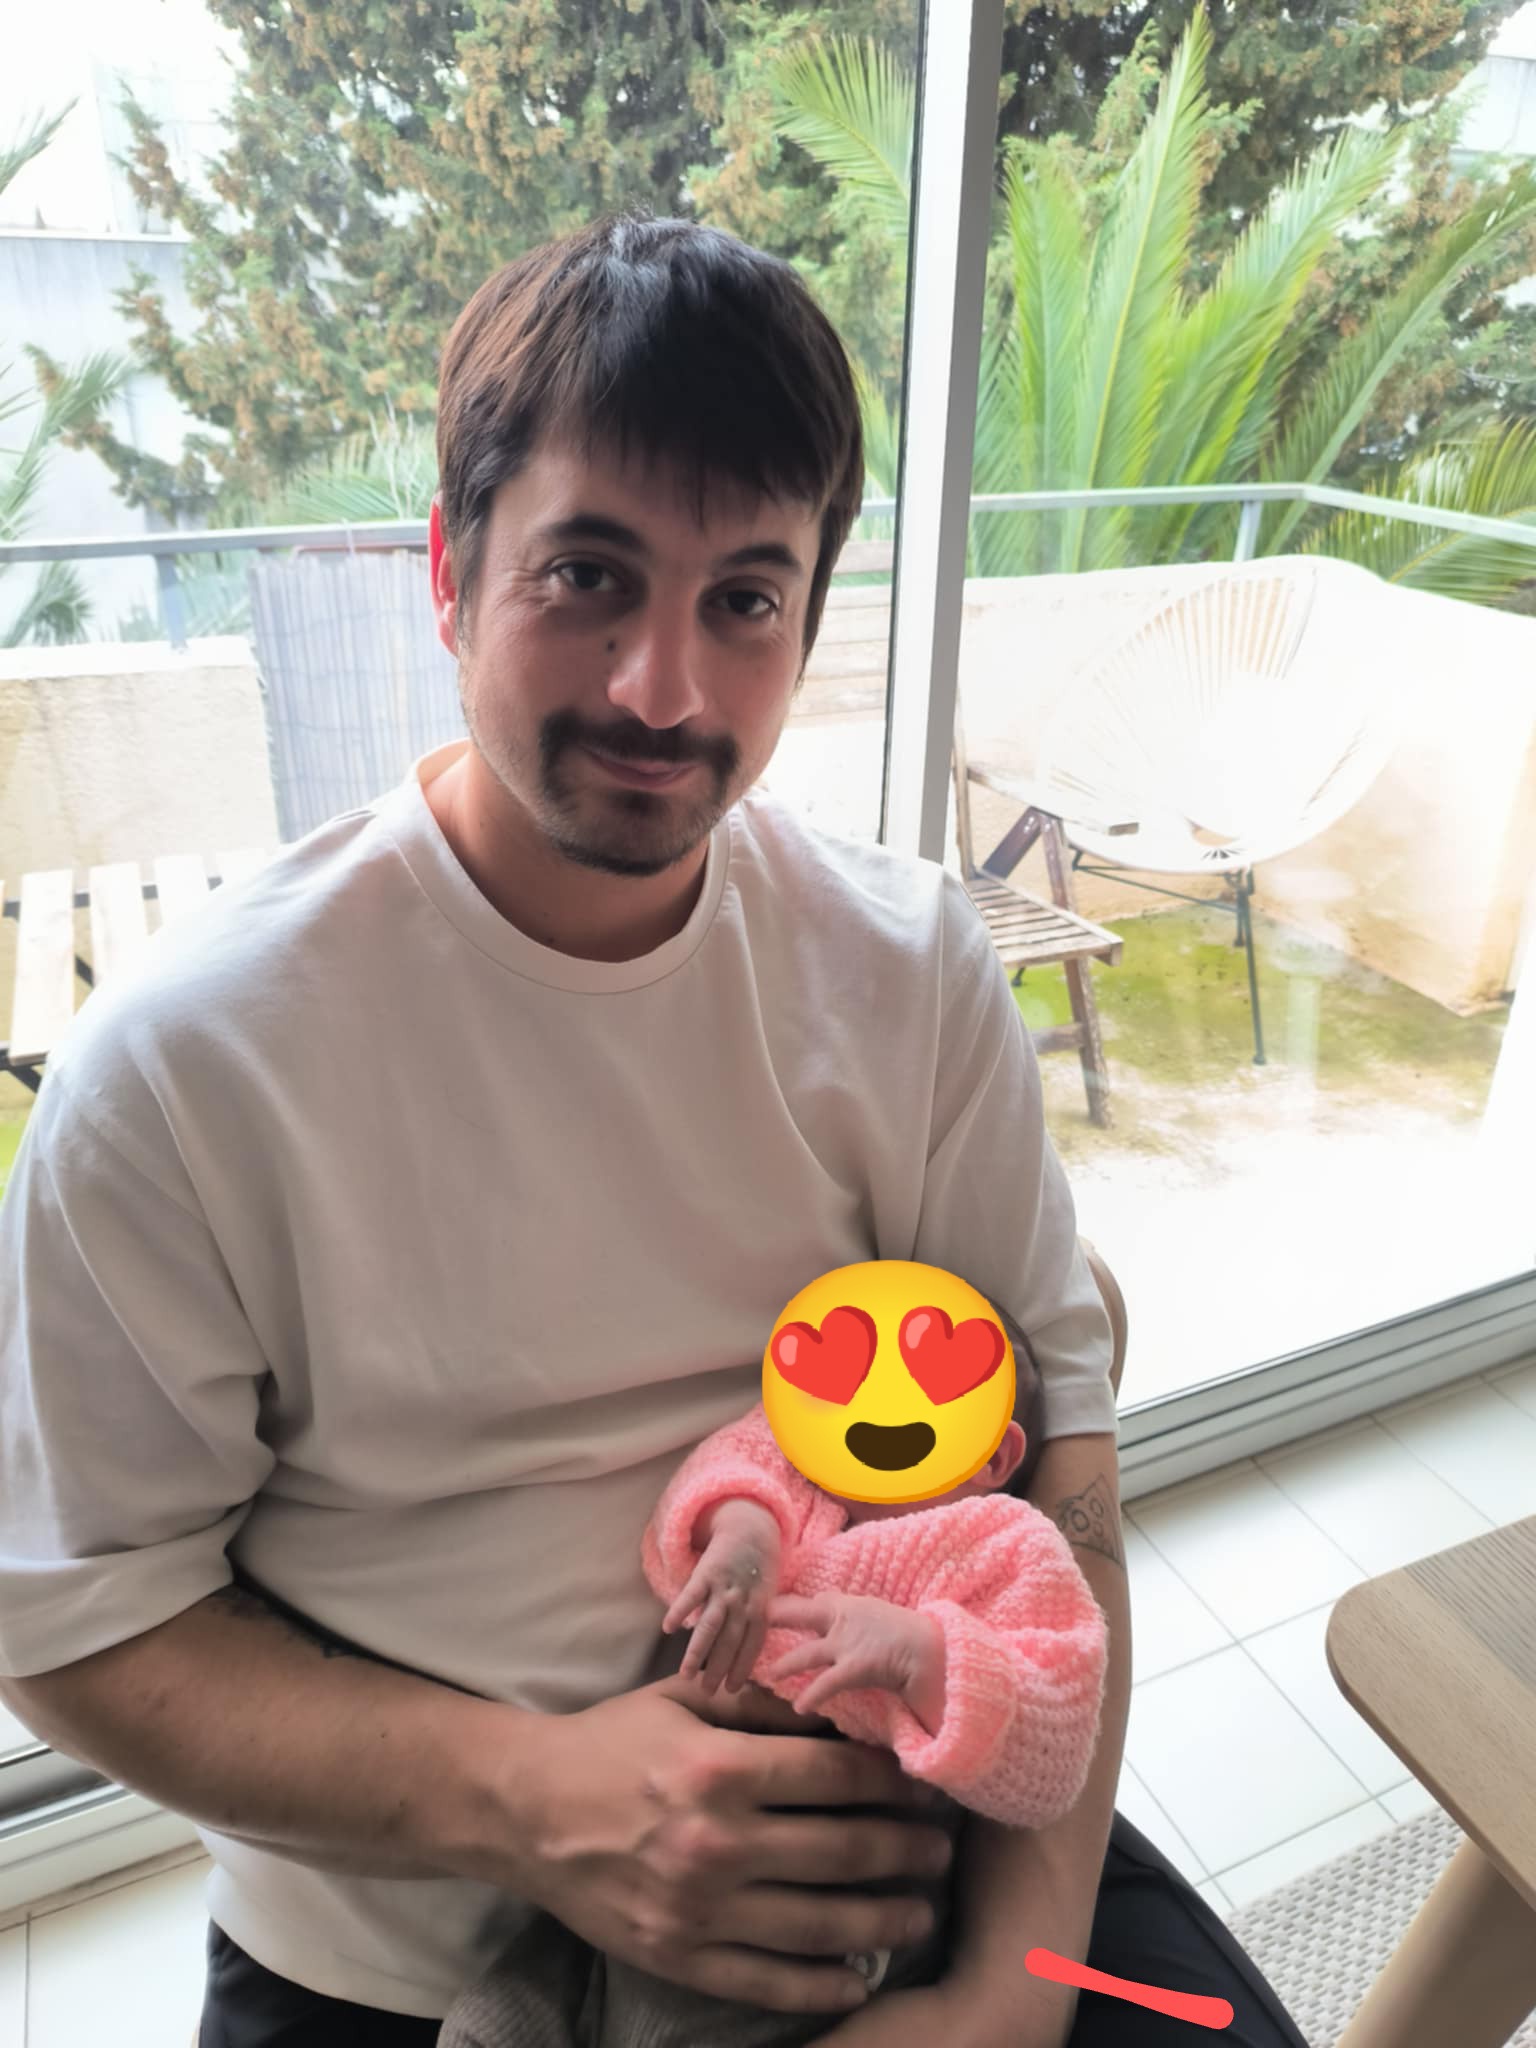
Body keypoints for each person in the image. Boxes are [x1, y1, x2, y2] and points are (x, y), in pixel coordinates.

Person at [0, 213, 1309, 2048]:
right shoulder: (186, 1068)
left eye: (744, 599)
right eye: (588, 576)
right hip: (410, 1946)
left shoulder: (910, 971)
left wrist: (1007, 1998)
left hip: (922, 1855)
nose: (662, 691)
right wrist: (547, 1805)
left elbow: (1064, 1457)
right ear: (450, 570)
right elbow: (76, 1626)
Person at [438, 1312, 1110, 2048]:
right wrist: (742, 1533)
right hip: (650, 1819)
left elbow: (1052, 1745)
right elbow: (731, 1469)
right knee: (505, 2011)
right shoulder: (797, 1465)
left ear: (993, 1454)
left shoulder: (1004, 1546)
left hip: (843, 1850)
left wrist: (924, 1655)